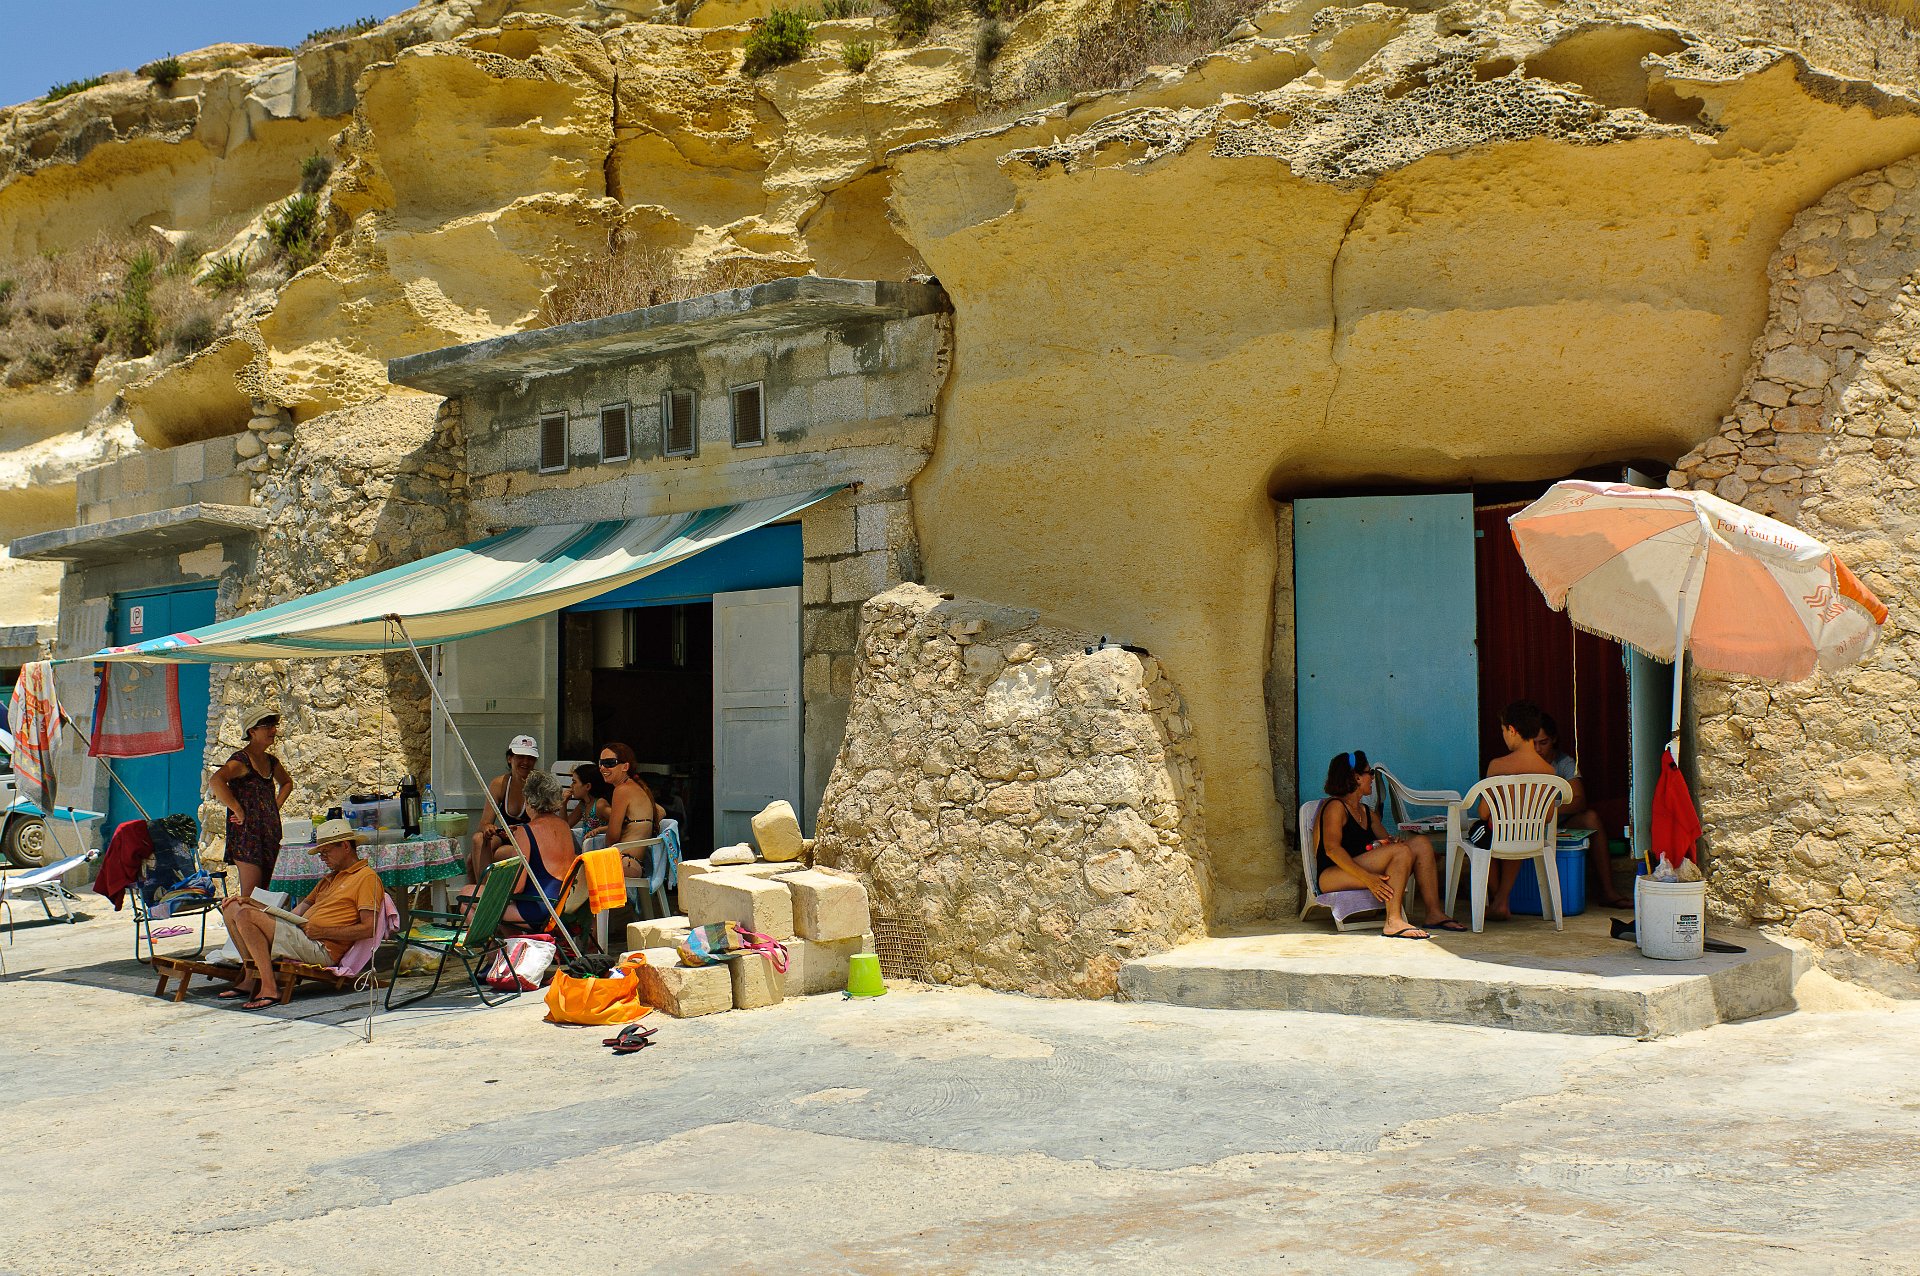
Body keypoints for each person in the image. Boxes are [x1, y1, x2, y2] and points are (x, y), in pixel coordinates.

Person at [217, 817, 385, 1011]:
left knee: (246, 916)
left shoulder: (366, 878)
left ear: (345, 846)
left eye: (326, 852)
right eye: (321, 854)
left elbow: (369, 928)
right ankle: (250, 978)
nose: (323, 858)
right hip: (304, 935)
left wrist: (323, 931)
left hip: (322, 947)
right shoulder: (329, 879)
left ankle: (269, 987)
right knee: (232, 908)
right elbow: (295, 913)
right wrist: (255, 904)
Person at [1315, 750, 1465, 939]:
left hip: (1355, 867)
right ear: (1356, 777)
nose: (1372, 778)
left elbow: (1389, 844)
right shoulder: (1335, 807)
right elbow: (1332, 850)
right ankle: (1393, 921)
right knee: (1401, 852)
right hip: (1331, 874)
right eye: (1370, 773)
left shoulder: (1366, 812)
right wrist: (1368, 878)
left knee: (1421, 844)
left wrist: (1390, 842)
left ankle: (1434, 913)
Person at [1477, 700, 1562, 921]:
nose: (1504, 736)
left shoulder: (1497, 766)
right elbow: (1548, 816)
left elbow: (1483, 813)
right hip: (1530, 838)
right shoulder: (1549, 771)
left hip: (1498, 837)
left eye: (1503, 730)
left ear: (1512, 730)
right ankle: (1501, 899)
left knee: (1481, 832)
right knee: (1516, 832)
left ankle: (1497, 898)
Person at [1534, 713, 1630, 909]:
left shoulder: (1564, 763)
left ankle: (1608, 891)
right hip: (1529, 825)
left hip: (1559, 822)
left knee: (1591, 818)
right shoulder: (1522, 762)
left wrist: (1547, 810)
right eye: (1532, 743)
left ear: (1554, 739)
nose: (1537, 749)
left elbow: (1579, 801)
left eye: (1543, 742)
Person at [209, 704, 294, 901]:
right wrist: (237, 809)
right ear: (252, 731)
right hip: (248, 835)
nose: (273, 730)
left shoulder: (271, 761)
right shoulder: (241, 761)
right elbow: (216, 781)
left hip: (269, 833)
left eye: (274, 725)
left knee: (269, 893)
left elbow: (287, 783)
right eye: (267, 726)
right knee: (252, 896)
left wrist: (273, 808)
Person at [497, 768, 579, 927]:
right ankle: (517, 942)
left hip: (537, 908)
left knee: (467, 897)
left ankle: (508, 943)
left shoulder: (526, 831)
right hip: (563, 905)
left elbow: (517, 887)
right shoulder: (564, 826)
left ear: (528, 799)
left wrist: (493, 886)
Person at [469, 734, 539, 881]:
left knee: (474, 858)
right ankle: (485, 891)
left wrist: (519, 831)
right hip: (505, 836)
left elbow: (543, 825)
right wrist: (489, 828)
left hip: (529, 841)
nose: (526, 762)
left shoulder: (538, 785)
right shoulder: (500, 784)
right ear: (510, 759)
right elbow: (484, 823)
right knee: (478, 839)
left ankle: (486, 890)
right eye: (520, 757)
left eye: (530, 758)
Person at [588, 742, 660, 848]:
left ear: (625, 766)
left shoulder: (622, 790)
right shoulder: (636, 787)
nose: (602, 768)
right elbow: (661, 811)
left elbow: (612, 838)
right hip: (633, 857)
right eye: (601, 763)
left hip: (625, 856)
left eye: (609, 763)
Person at [566, 762, 612, 845]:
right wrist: (563, 803)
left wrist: (600, 830)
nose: (571, 786)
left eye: (574, 782)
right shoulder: (583, 804)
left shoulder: (599, 805)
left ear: (587, 786)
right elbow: (565, 826)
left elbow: (622, 824)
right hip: (588, 847)